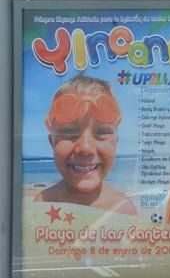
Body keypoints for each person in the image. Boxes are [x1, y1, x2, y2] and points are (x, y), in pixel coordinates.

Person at [34, 75, 137, 216]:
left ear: (115, 142)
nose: (85, 148)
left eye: (101, 132)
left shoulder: (123, 209)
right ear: (52, 142)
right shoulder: (43, 204)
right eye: (69, 132)